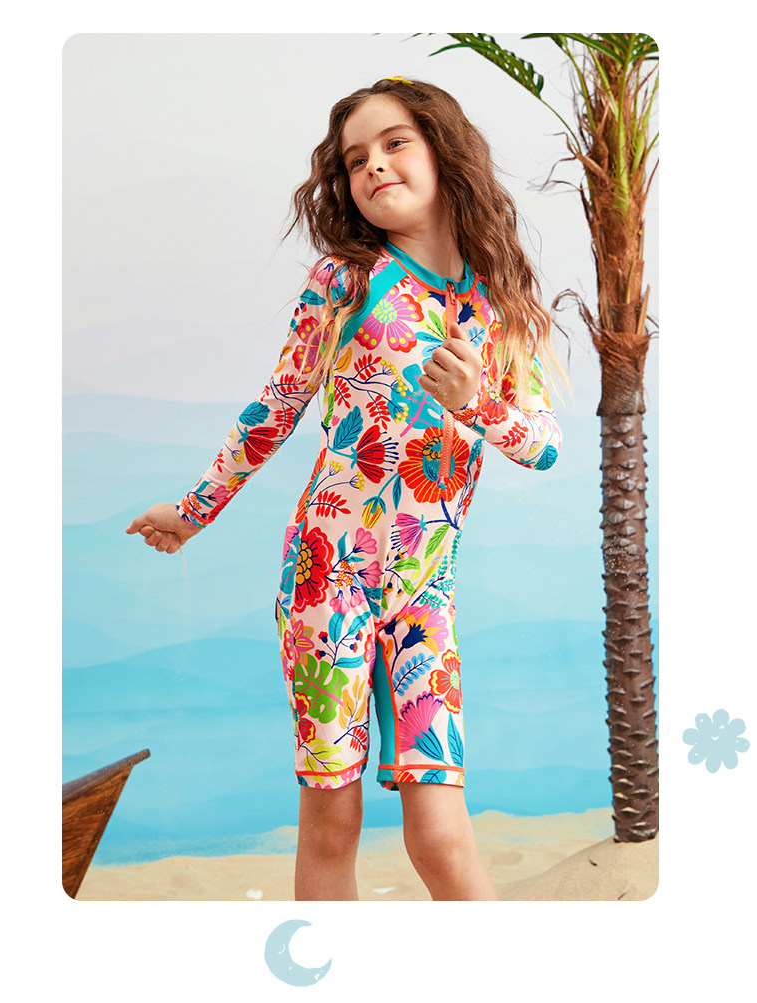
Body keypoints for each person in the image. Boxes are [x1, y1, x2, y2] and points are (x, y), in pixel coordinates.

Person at [126, 77, 566, 901]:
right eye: (355, 159)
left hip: (425, 593)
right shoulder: (345, 281)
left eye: (394, 143)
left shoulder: (497, 306)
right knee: (333, 820)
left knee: (442, 831)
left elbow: (542, 446)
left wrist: (476, 404)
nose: (373, 166)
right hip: (327, 578)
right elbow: (277, 405)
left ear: (444, 151)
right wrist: (190, 513)